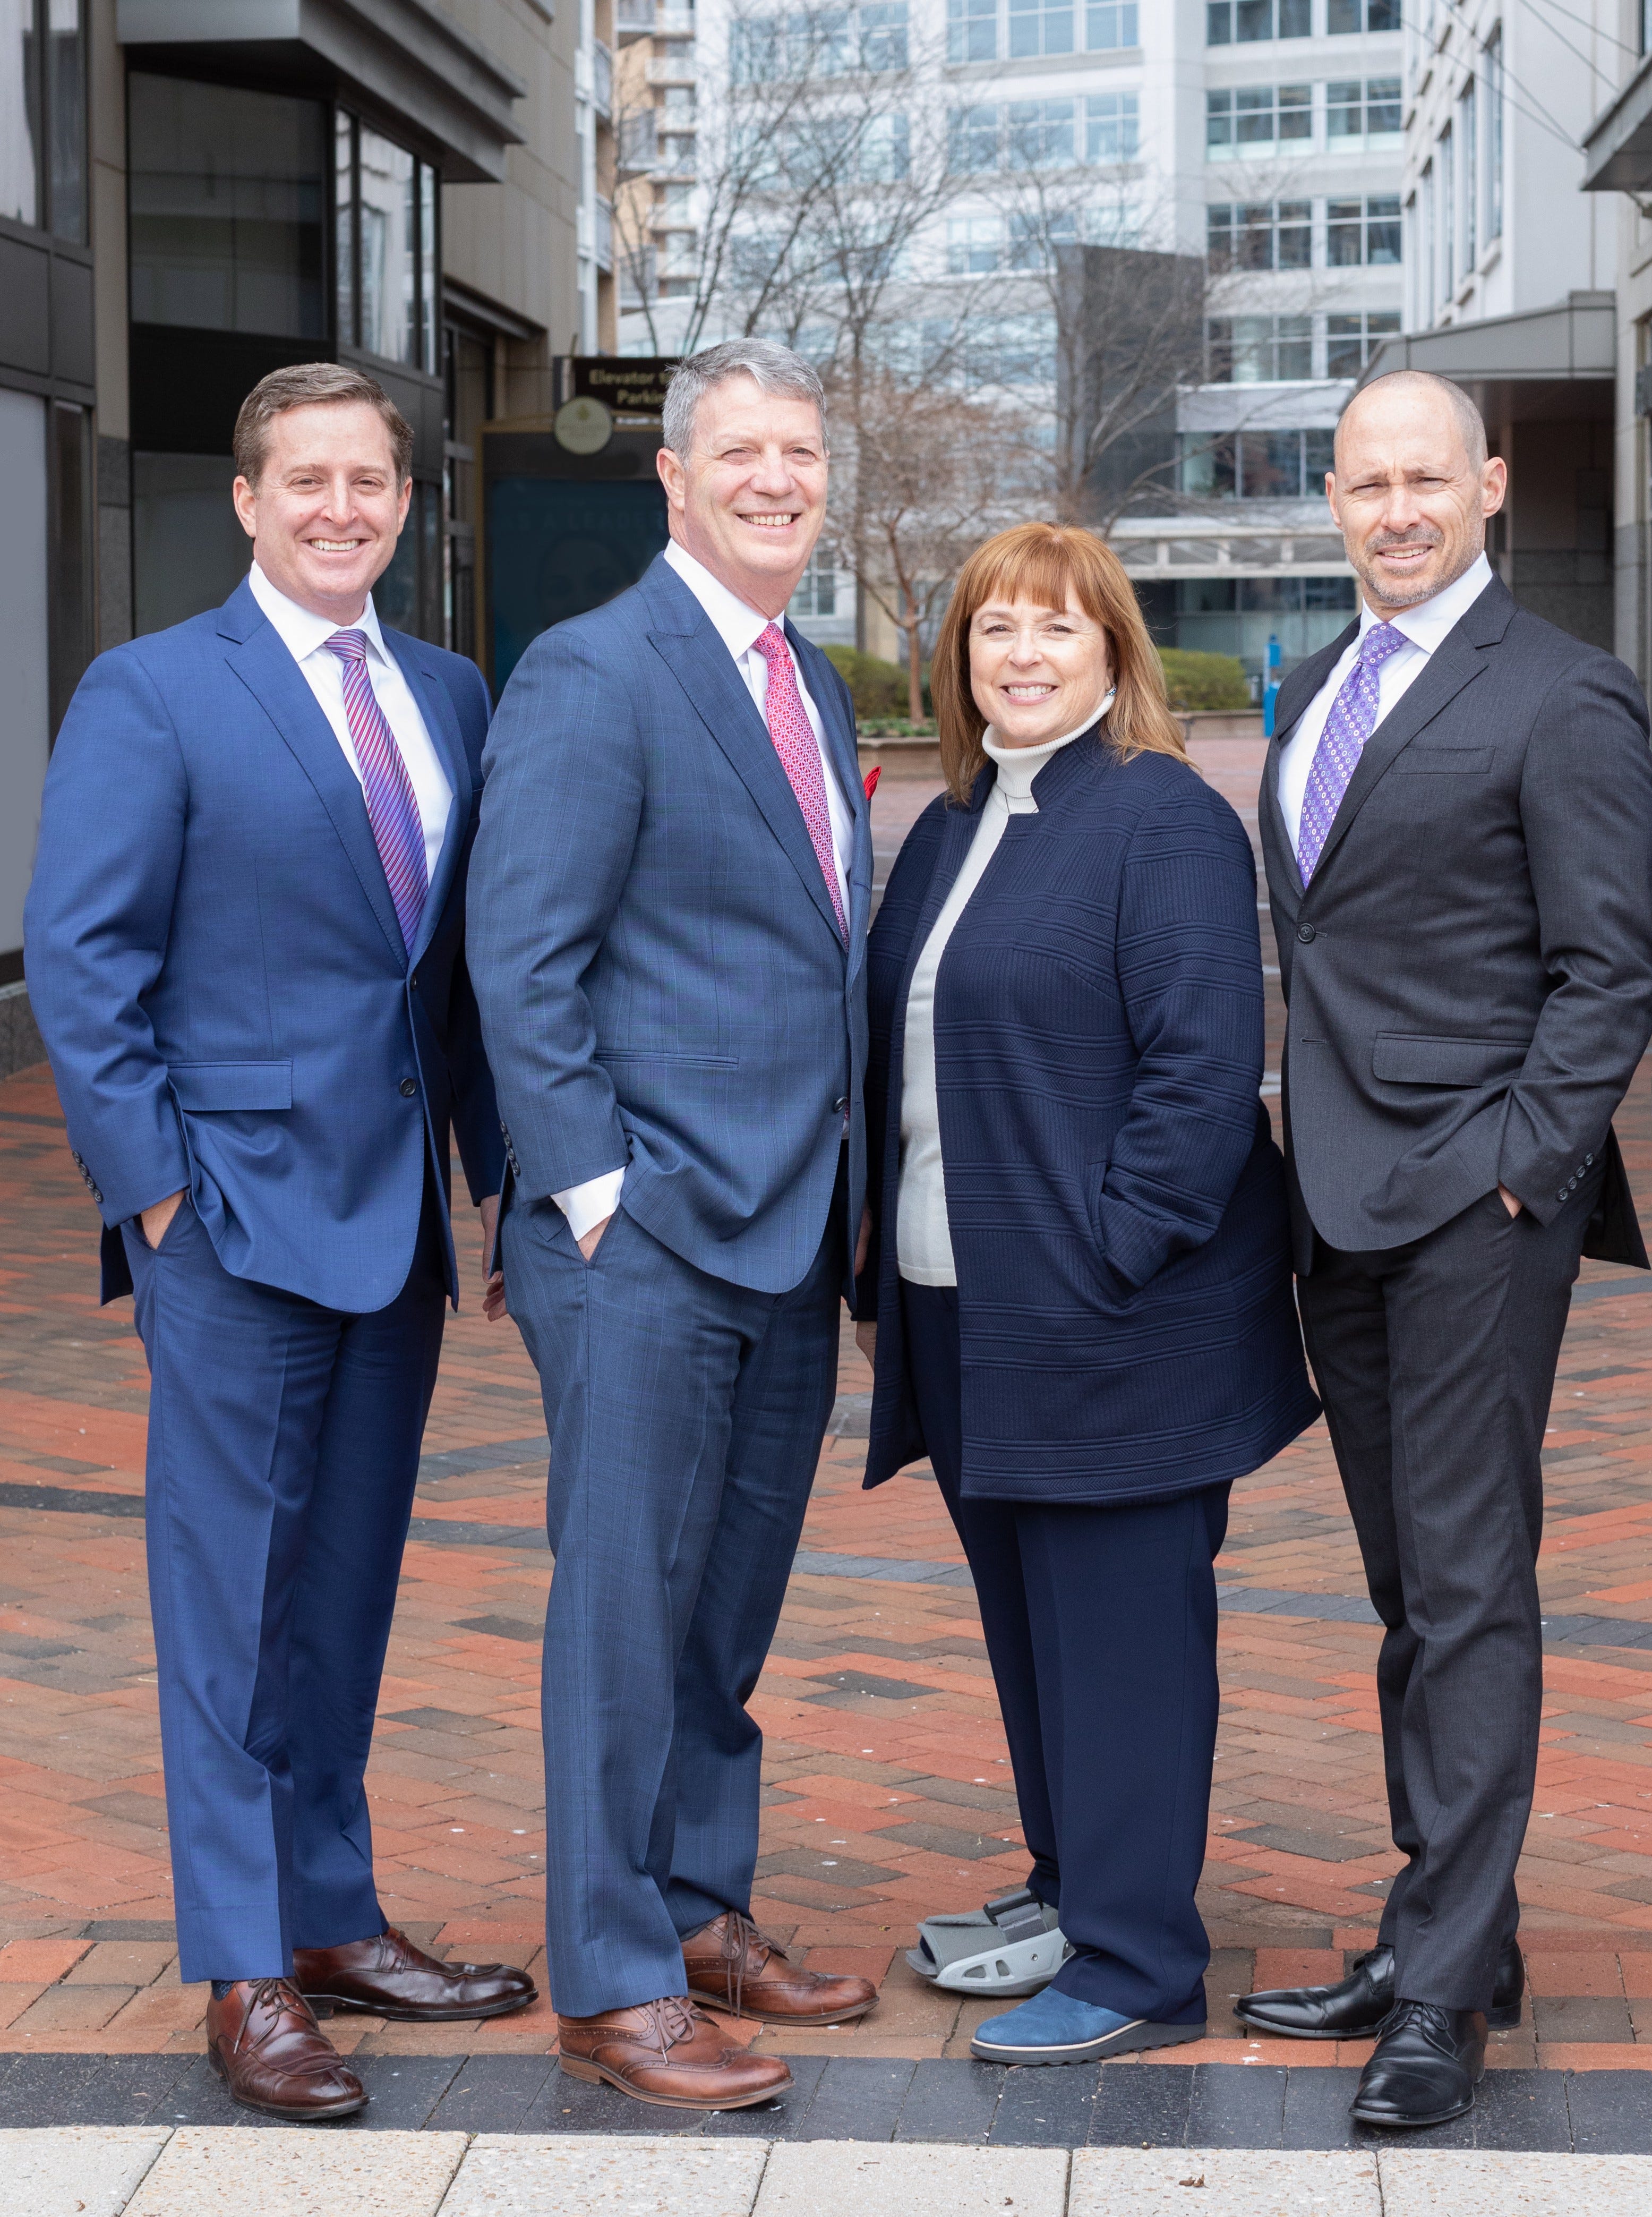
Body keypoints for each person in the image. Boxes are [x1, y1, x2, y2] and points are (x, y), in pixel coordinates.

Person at [23, 364, 534, 2125]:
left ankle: (329, 1912)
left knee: (343, 1593)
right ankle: (244, 1967)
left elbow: (453, 974)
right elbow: (83, 962)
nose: (339, 508)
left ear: (405, 501)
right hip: (230, 1222)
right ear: (247, 501)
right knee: (228, 1606)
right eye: (305, 479)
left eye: (368, 479)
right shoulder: (154, 690)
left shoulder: (451, 693)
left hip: (394, 1226)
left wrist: (492, 1177)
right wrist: (158, 1197)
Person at [1235, 371, 1652, 2128]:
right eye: (1366, 484)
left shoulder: (1562, 693)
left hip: (1476, 1211)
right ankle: (1455, 1935)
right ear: (1333, 499)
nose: (1396, 510)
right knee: (1411, 1589)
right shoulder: (1325, 687)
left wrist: (1516, 1174)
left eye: (1427, 479)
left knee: (1473, 1590)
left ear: (1489, 487)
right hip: (1339, 1203)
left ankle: (1443, 1997)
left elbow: (1611, 967)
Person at [466, 338, 879, 2113]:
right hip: (643, 1237)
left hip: (789, 1228)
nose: (776, 480)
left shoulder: (814, 681)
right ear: (676, 476)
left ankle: (700, 1908)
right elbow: (521, 957)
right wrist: (592, 1193)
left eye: (801, 453)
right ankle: (614, 1982)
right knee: (624, 1617)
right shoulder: (595, 669)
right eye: (742, 453)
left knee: (724, 1610)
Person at [857, 522, 1320, 2067]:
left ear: (1116, 651)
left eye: (1059, 627)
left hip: (1115, 1316)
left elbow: (1203, 1074)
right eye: (995, 628)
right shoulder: (952, 824)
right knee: (1030, 1624)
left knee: (1122, 1640)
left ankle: (1140, 1961)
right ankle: (1074, 1891)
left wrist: (1111, 1249)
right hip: (962, 1299)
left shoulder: (1161, 816)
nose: (1024, 655)